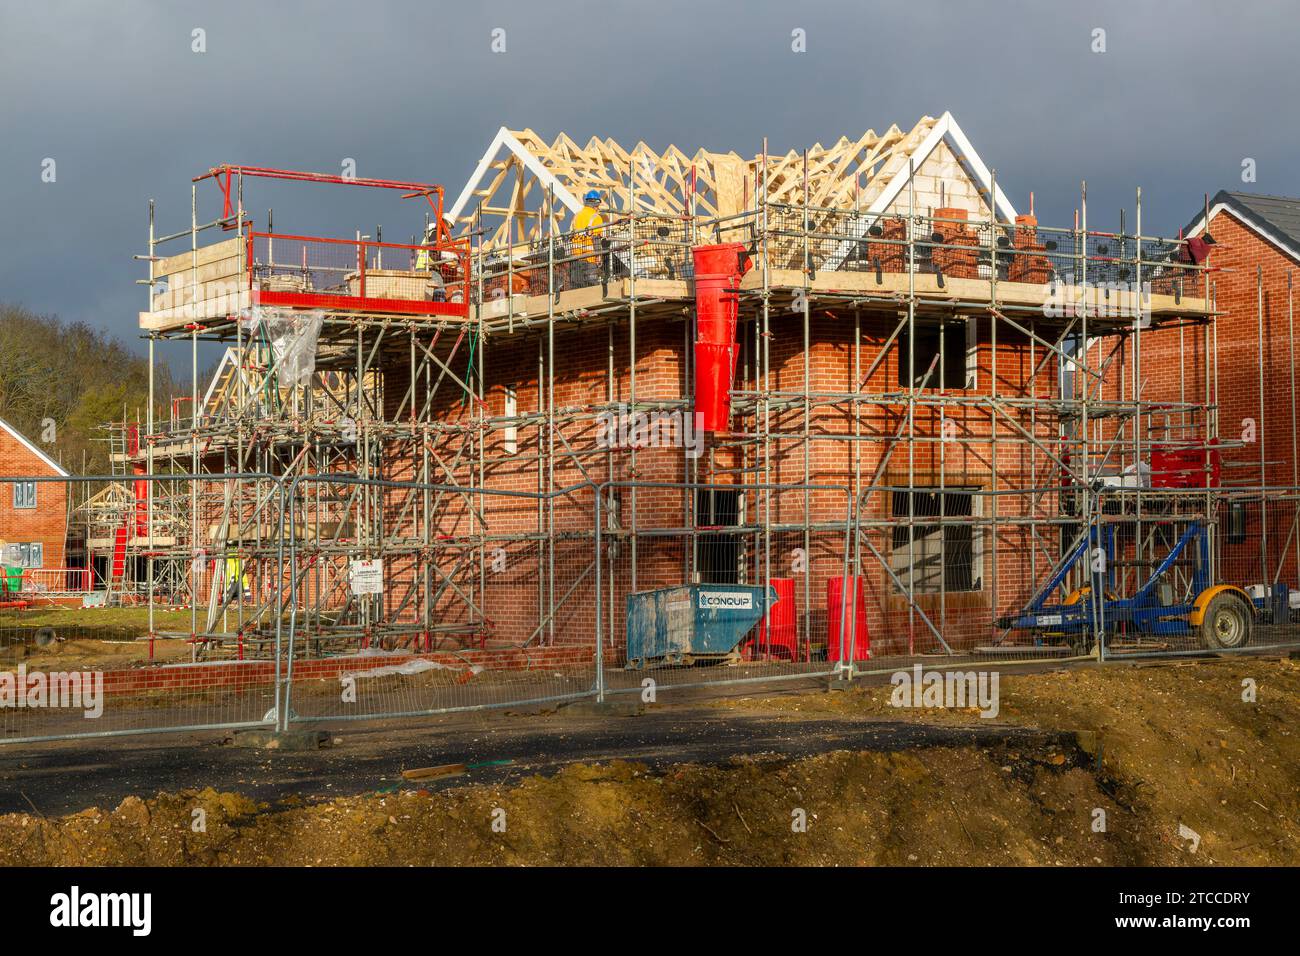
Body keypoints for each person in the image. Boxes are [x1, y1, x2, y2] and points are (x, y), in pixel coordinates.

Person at [571, 189, 605, 285]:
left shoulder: (577, 216)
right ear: (597, 204)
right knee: (591, 286)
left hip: (576, 257)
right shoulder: (596, 217)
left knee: (577, 286)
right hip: (590, 258)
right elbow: (596, 239)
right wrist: (598, 257)